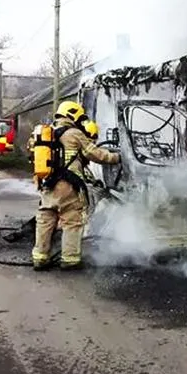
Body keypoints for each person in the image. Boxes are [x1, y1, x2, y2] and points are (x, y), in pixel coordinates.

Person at [32, 101, 120, 271]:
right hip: (68, 185)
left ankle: (40, 258)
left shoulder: (45, 133)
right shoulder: (74, 133)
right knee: (72, 221)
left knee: (45, 220)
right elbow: (95, 154)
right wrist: (116, 158)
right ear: (73, 116)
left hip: (47, 184)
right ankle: (69, 259)